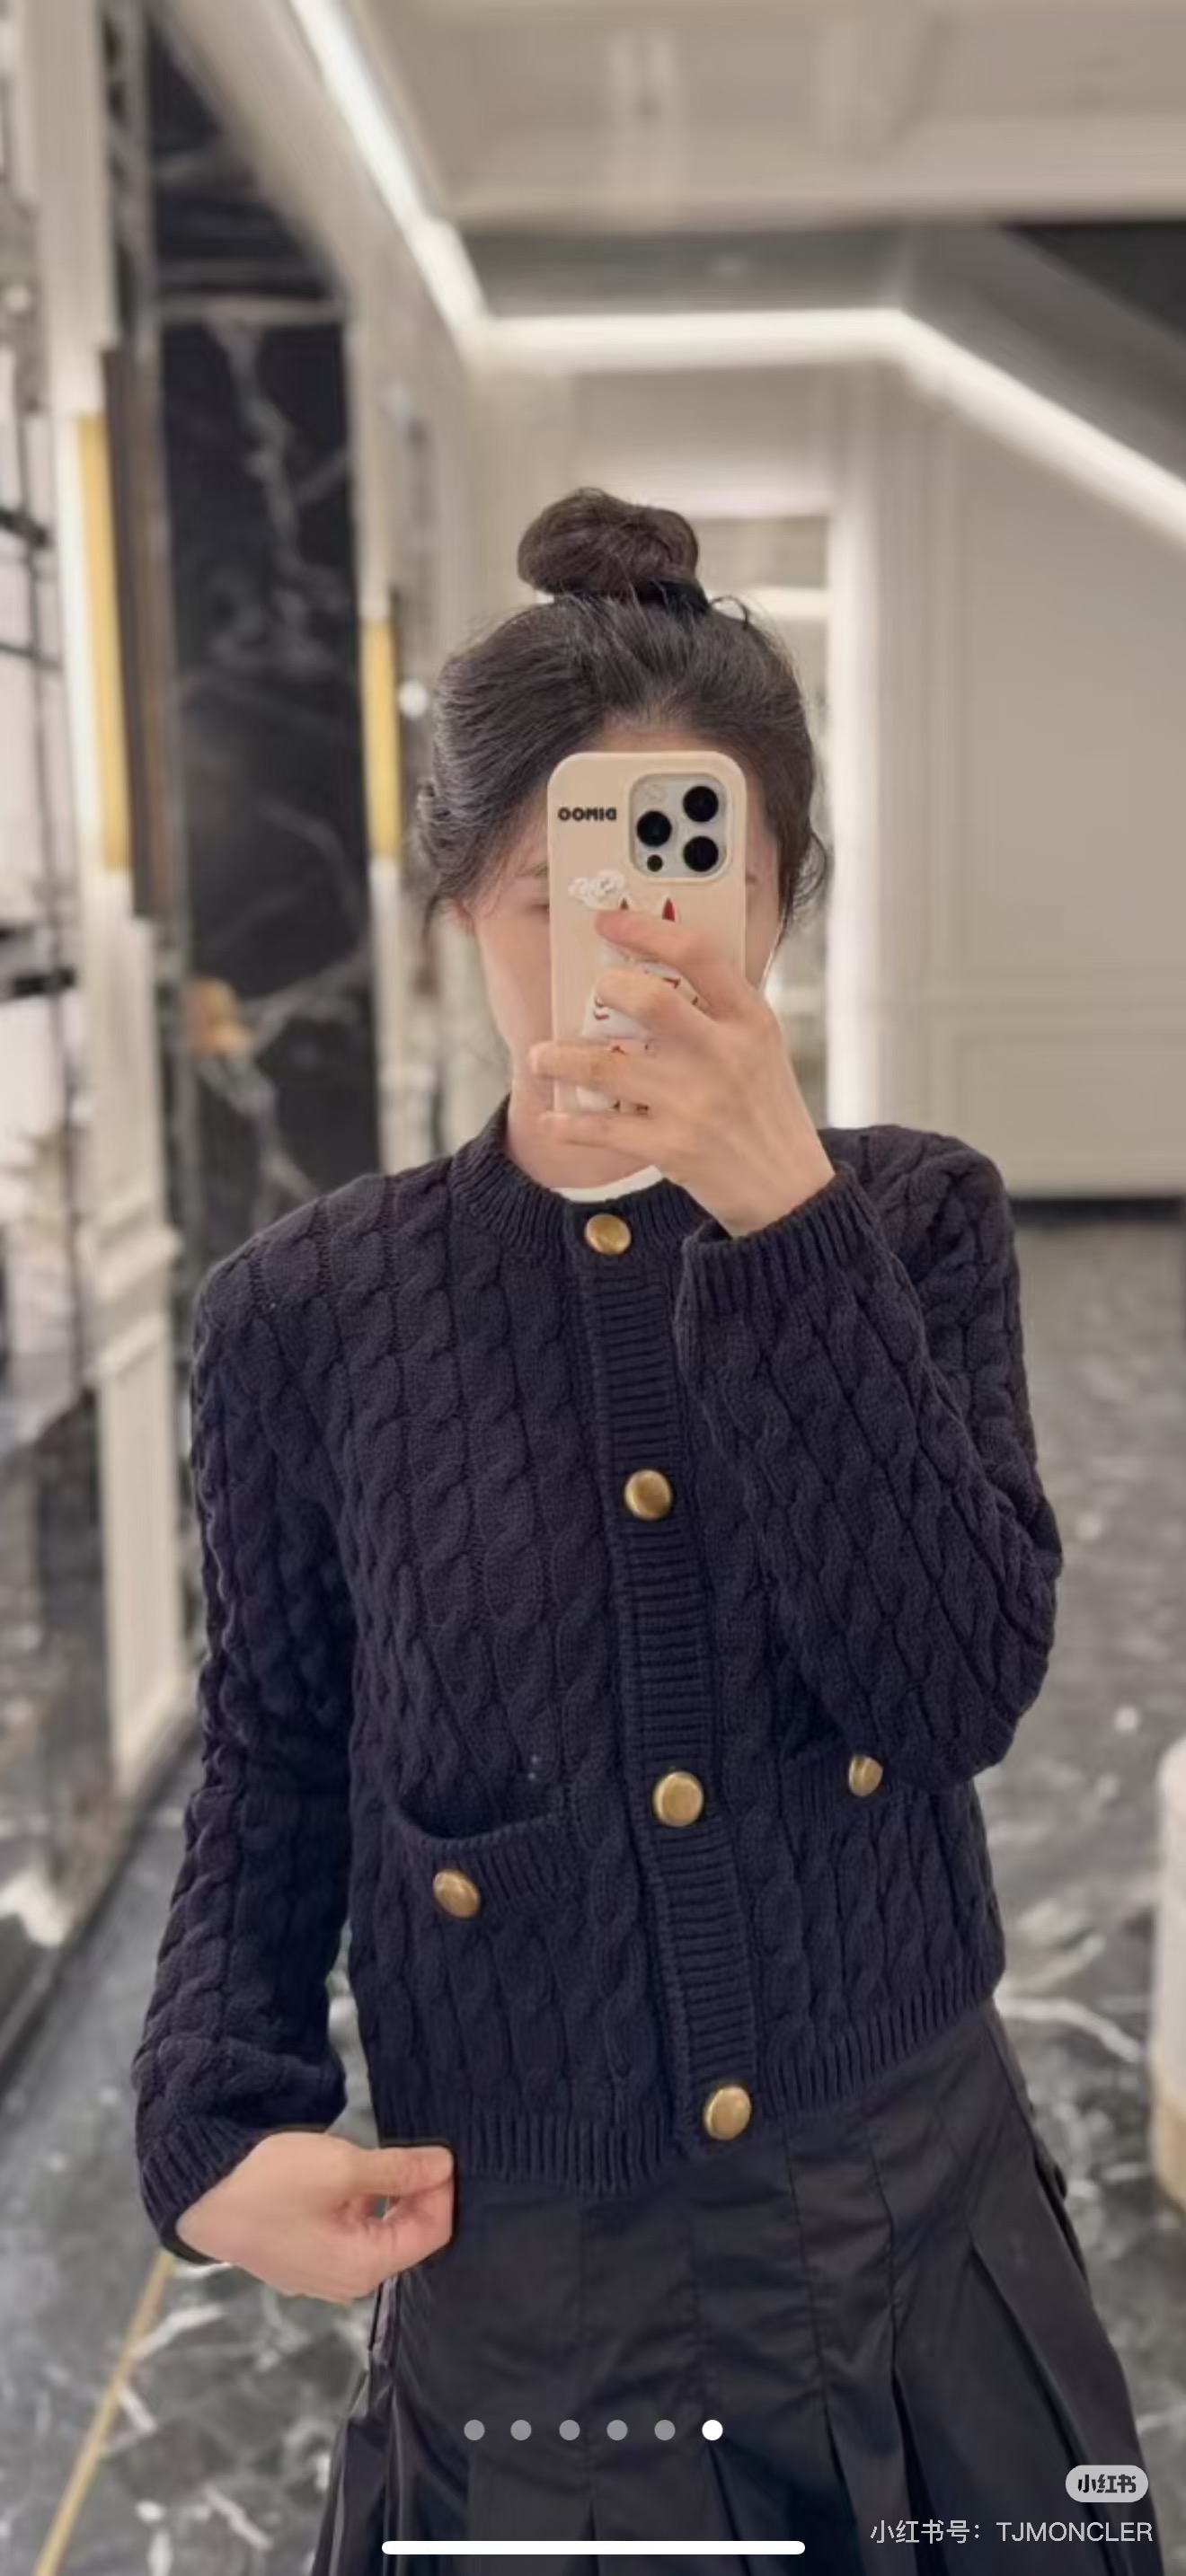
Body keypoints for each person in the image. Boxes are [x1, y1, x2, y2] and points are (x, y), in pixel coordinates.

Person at [130, 488, 1165, 2576]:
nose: (628, 947)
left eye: (704, 883)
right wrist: (211, 2113)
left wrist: (784, 1225)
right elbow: (275, 1751)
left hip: (916, 2239)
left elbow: (953, 1691)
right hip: (541, 2286)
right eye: (553, 894)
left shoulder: (912, 1223)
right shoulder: (301, 1318)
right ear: (458, 901)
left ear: (776, 898)